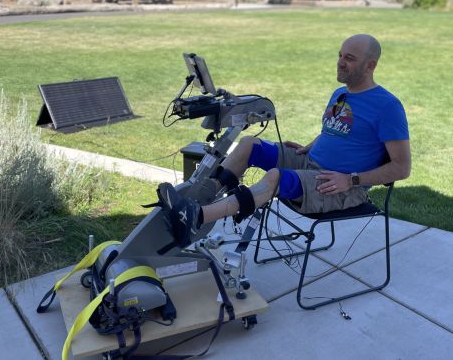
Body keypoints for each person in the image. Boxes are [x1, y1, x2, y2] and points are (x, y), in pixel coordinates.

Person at [157, 34, 411, 248]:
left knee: (275, 177)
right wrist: (309, 146)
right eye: (340, 55)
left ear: (370, 66)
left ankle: (196, 217)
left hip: (340, 185)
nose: (340, 63)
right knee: (249, 145)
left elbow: (402, 168)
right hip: (311, 162)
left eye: (350, 58)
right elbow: (338, 129)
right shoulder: (341, 93)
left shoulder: (387, 106)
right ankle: (202, 198)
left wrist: (351, 180)